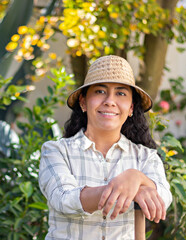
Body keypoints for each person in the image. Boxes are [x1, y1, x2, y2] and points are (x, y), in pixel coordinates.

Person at [38, 55, 172, 239]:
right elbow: (63, 199)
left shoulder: (145, 157)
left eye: (121, 93)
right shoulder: (56, 151)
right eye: (100, 91)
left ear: (131, 108)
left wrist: (136, 178)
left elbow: (162, 200)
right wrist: (122, 188)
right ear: (83, 102)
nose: (110, 101)